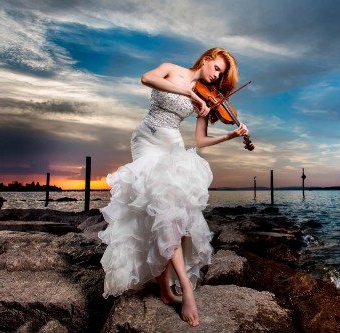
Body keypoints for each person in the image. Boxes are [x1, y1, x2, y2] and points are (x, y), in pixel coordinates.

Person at [98, 47, 249, 327]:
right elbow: (146, 78)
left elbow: (201, 141)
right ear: (206, 60)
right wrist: (190, 94)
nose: (216, 76)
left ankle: (174, 287)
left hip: (172, 147)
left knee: (168, 213)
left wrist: (229, 134)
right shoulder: (172, 69)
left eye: (221, 75)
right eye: (216, 68)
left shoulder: (206, 96)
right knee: (156, 209)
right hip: (145, 141)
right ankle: (175, 288)